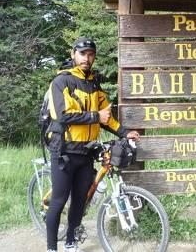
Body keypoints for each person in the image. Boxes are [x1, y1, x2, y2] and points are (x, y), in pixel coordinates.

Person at [45, 37, 140, 252]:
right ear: (73, 55)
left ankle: (70, 242)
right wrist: (95, 116)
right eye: (82, 53)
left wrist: (125, 133)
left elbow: (106, 117)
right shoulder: (61, 82)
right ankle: (51, 248)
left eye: (90, 54)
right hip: (64, 151)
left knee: (79, 201)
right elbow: (61, 115)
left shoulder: (93, 84)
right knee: (59, 202)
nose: (87, 58)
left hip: (86, 152)